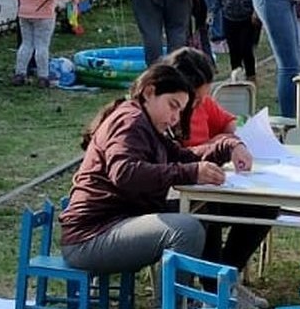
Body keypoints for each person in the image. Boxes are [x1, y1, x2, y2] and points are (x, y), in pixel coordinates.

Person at [59, 65, 253, 288]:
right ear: (149, 92)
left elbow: (183, 156)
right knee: (185, 229)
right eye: (173, 106)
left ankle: (218, 289)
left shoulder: (146, 122)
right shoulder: (130, 121)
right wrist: (191, 172)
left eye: (180, 111)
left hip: (117, 222)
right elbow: (125, 173)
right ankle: (175, 303)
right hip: (91, 237)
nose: (175, 118)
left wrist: (229, 146)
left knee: (201, 210)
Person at [162, 48, 273, 308]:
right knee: (206, 210)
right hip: (178, 192)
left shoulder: (203, 103)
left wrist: (238, 139)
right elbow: (172, 157)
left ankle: (225, 281)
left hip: (209, 181)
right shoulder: (166, 113)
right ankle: (216, 290)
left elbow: (227, 123)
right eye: (196, 99)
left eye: (204, 97)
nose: (201, 103)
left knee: (264, 206)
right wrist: (218, 145)